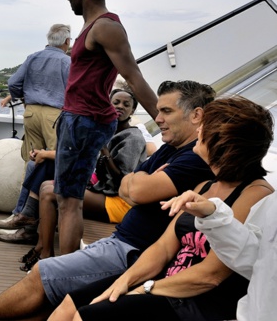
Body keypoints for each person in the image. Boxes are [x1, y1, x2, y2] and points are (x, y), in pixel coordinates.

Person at [0, 80, 215, 321]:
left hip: (131, 250)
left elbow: (134, 190)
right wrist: (136, 183)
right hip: (123, 238)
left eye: (166, 111)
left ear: (196, 115)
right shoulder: (171, 149)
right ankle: (30, 228)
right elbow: (130, 185)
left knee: (44, 272)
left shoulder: (191, 159)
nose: (159, 119)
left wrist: (136, 183)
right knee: (49, 187)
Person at [52, 96, 274, 321]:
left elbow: (211, 275)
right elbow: (164, 248)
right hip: (164, 280)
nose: (198, 130)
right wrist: (125, 281)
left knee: (88, 315)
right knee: (71, 304)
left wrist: (144, 289)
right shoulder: (205, 186)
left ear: (220, 142)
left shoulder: (256, 194)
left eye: (204, 126)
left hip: (197, 301)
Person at [55, 0, 159, 256]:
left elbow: (134, 76)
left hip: (84, 120)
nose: (68, 1)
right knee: (66, 198)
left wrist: (162, 118)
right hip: (80, 119)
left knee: (68, 201)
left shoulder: (105, 27)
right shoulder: (94, 27)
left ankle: (60, 274)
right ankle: (56, 265)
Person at [10, 88, 147, 270]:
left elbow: (122, 178)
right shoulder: (109, 130)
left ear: (133, 110)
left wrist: (104, 150)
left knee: (51, 192)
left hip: (120, 201)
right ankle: (42, 249)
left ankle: (44, 255)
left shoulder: (132, 137)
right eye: (116, 103)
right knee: (46, 186)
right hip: (102, 192)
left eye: (126, 104)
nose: (120, 107)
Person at [169, 181, 277, 321]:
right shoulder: (272, 203)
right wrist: (212, 216)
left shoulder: (259, 191)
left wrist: (147, 287)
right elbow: (258, 259)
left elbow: (211, 274)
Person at [7, 23, 71, 161]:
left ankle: (28, 183)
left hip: (31, 112)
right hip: (55, 115)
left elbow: (13, 83)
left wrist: (22, 98)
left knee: (31, 158)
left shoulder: (32, 57)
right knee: (57, 158)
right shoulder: (67, 62)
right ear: (66, 41)